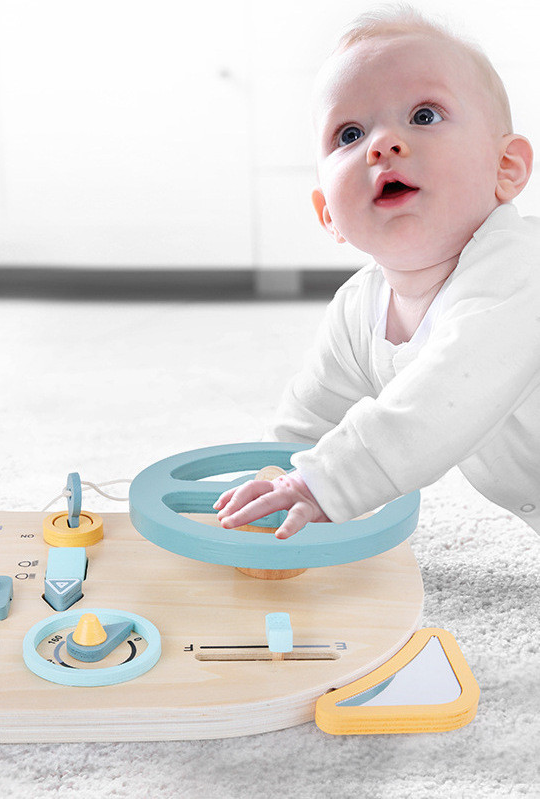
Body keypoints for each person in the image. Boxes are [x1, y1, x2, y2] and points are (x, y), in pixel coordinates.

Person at [214, 4, 540, 539]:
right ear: (328, 214)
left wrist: (322, 486)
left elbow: (439, 406)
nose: (384, 145)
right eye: (349, 134)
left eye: (424, 116)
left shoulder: (520, 271)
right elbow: (309, 421)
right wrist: (273, 482)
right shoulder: (358, 310)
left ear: (505, 168)